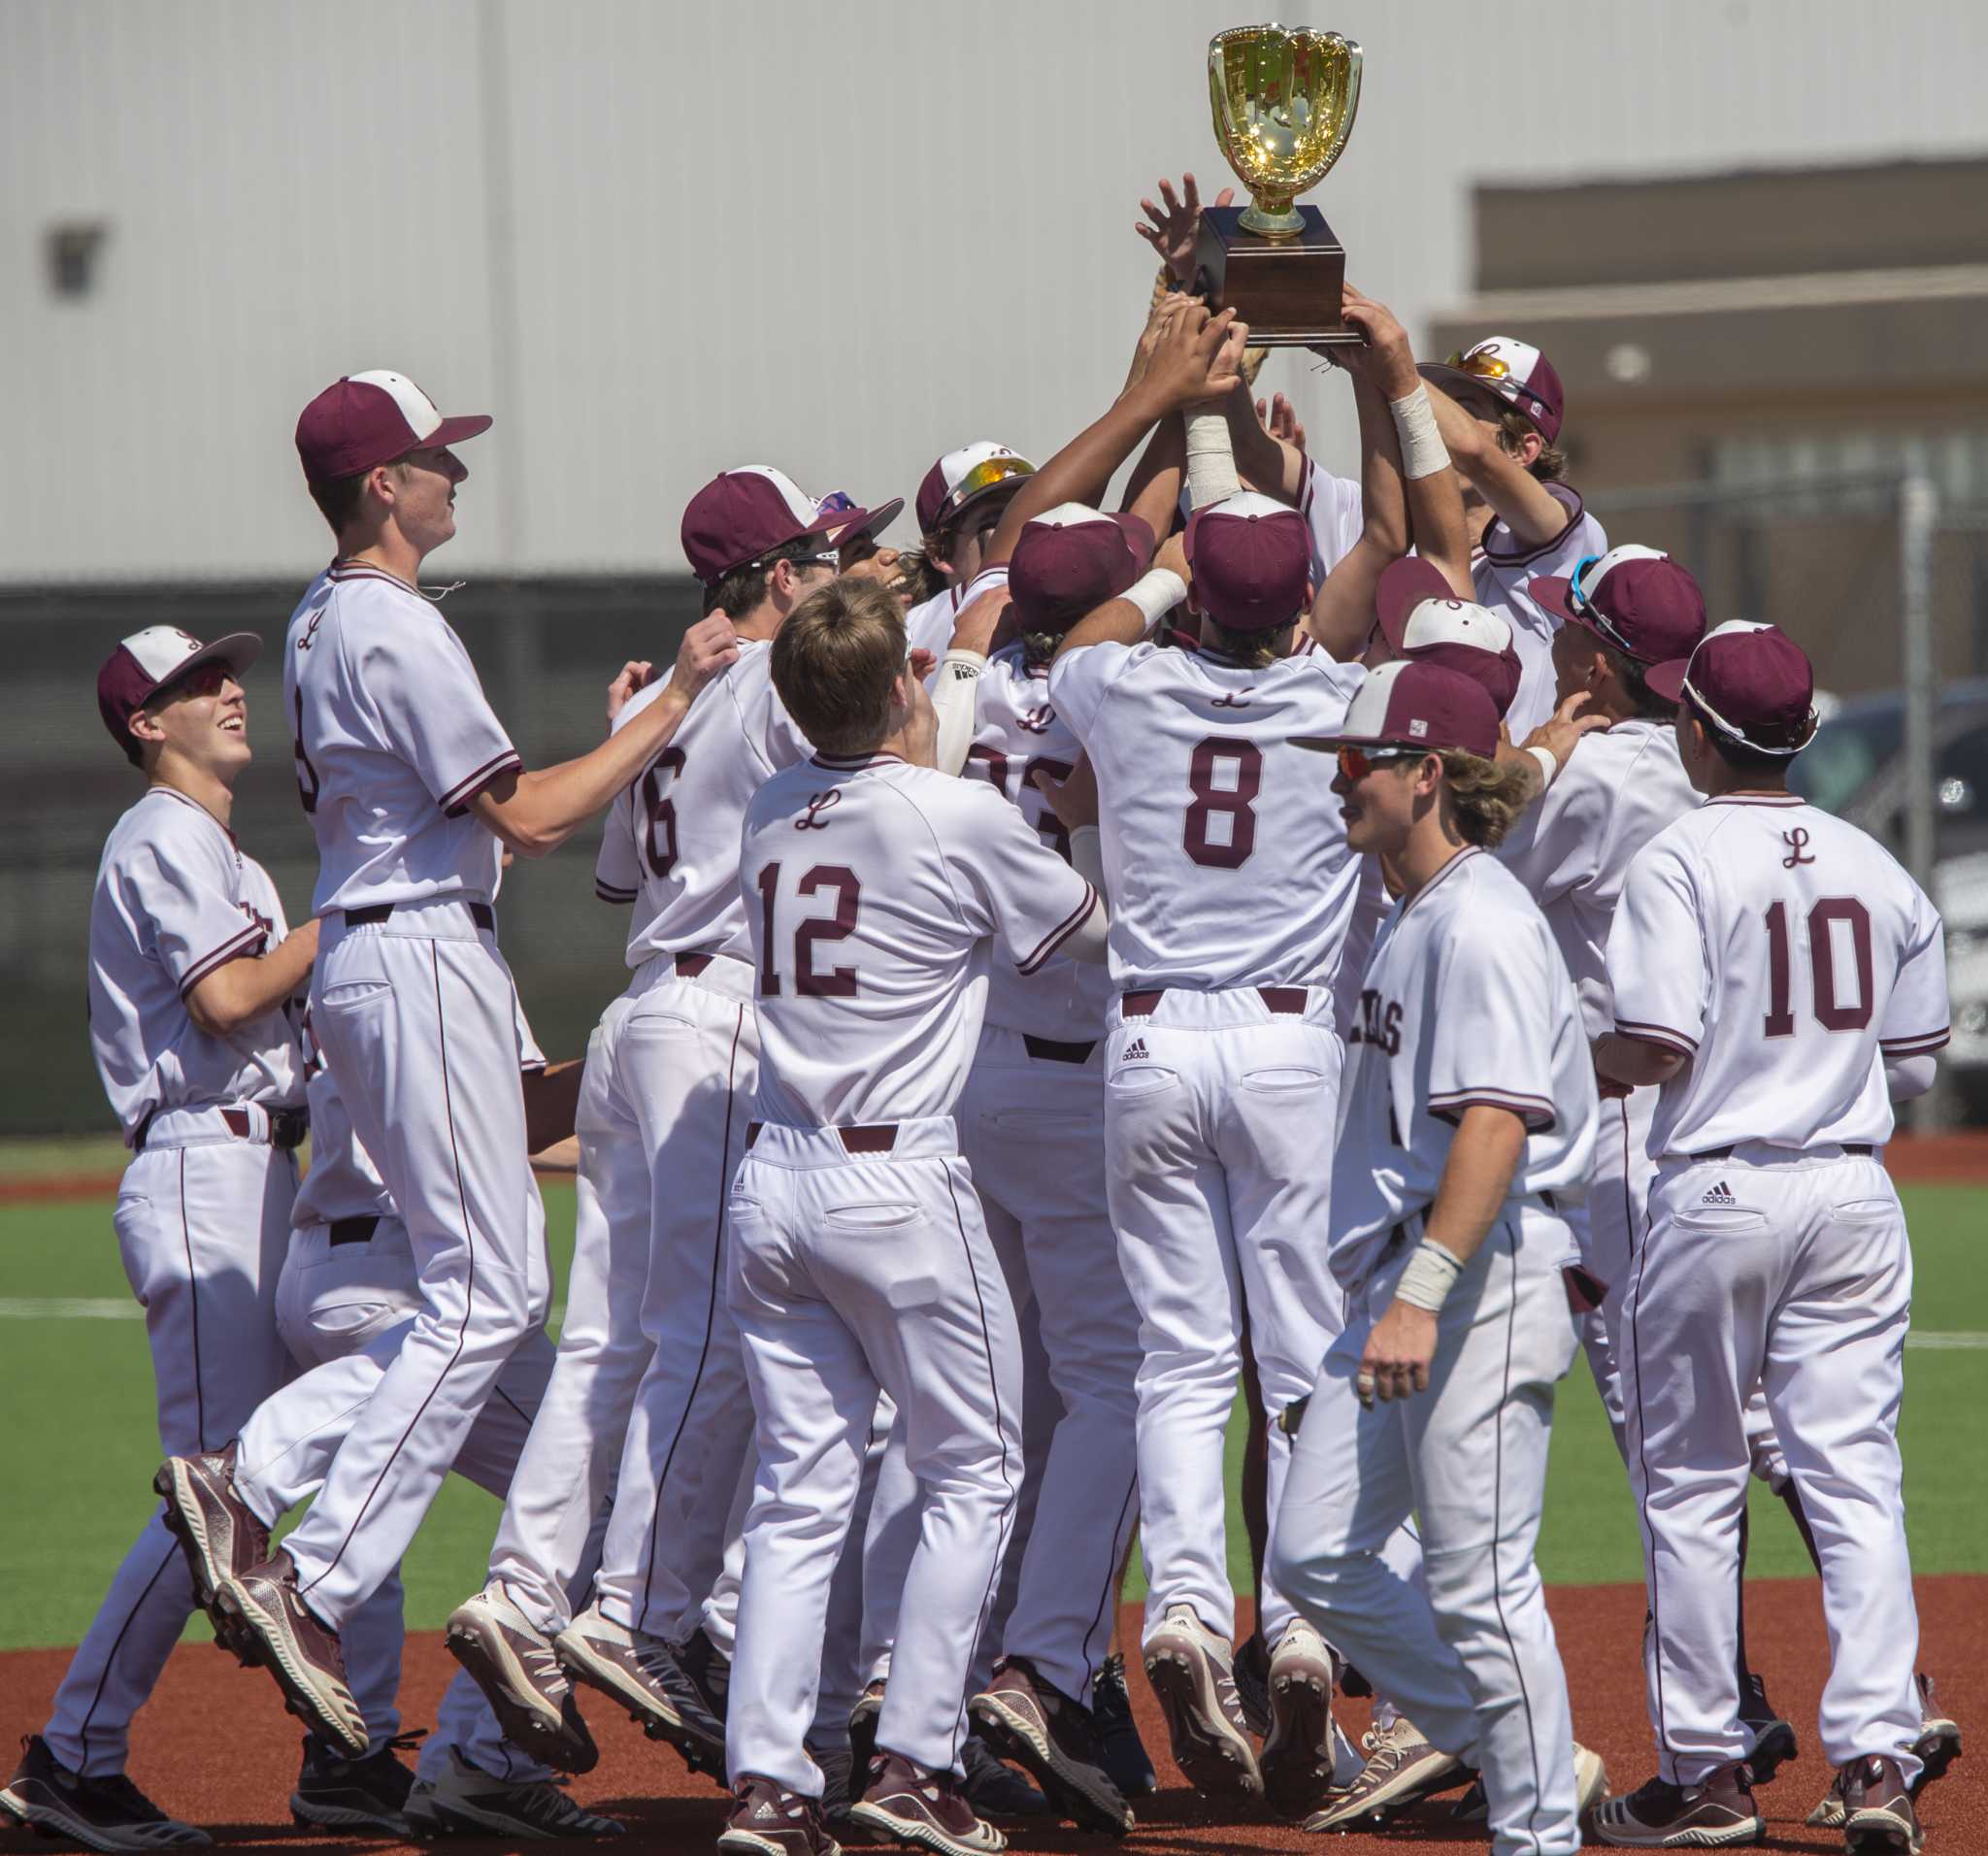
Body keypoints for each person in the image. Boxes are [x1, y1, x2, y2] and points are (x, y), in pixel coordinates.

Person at [211, 370, 730, 1751]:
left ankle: (279, 1526)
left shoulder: (325, 615)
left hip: (381, 951)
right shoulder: (387, 622)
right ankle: (274, 1519)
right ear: (383, 484)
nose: (457, 475)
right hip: (417, 942)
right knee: (491, 1288)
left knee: (480, 1293)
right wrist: (675, 698)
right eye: (436, 457)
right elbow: (537, 818)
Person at [447, 464, 866, 1782]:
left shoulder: (665, 702)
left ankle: (522, 1590)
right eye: (814, 557)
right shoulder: (769, 685)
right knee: (702, 1336)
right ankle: (633, 1608)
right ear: (774, 578)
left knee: (604, 1341)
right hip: (721, 1019)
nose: (831, 574)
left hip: (639, 1012)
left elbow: (623, 871)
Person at [717, 576, 1109, 1856]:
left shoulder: (772, 806)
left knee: (798, 1490)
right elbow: (1085, 932)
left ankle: (774, 1780)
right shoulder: (953, 813)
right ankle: (916, 1762)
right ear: (899, 692)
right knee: (977, 1474)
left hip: (775, 1182)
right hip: (898, 1181)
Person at [1591, 622, 1949, 1852]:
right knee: (1853, 1476)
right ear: (1797, 734)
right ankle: (1879, 1758)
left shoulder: (1676, 855)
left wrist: (1544, 1058)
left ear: (1695, 728)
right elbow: (1911, 1064)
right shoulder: (1874, 862)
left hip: (1717, 1192)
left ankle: (1703, 1773)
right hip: (1850, 1191)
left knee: (1688, 1486)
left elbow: (1653, 1046)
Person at [1270, 659, 1601, 1856]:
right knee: (1312, 1551)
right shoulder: (1416, 912)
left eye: (1358, 762)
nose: (1339, 783)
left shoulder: (1480, 921)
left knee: (1480, 1585)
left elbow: (1496, 1126)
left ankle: (1535, 1836)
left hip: (1472, 1277)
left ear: (1425, 775)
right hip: (1405, 1282)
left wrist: (1417, 1296)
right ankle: (1521, 1749)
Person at [0, 629, 315, 1854]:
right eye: (194, 684)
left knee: (290, 1463)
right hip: (202, 1167)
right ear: (145, 723)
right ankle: (73, 1755)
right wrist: (363, 907)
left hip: (255, 1165)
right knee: (215, 1495)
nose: (229, 690)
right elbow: (229, 1001)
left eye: (227, 673)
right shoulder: (163, 836)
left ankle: (347, 1745)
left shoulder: (223, 849)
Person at [160, 999, 619, 1839]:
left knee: (387, 1492)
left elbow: (500, 1123)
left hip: (327, 1260)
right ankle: (484, 1765)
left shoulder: (356, 950)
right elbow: (515, 1114)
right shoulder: (444, 943)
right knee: (602, 1495)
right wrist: (651, 1066)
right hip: (411, 1278)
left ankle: (351, 1761)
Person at [1415, 339, 1607, 737]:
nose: (1434, 422)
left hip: (1527, 792)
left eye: (1462, 412)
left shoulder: (1570, 541)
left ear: (1523, 448)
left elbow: (1475, 454)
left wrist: (1386, 365)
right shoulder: (1396, 536)